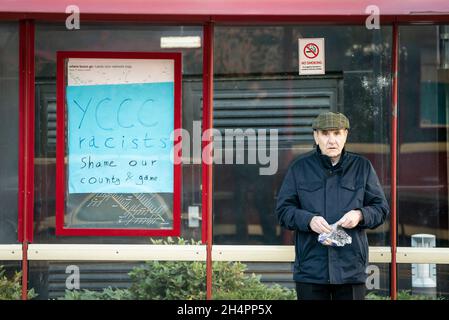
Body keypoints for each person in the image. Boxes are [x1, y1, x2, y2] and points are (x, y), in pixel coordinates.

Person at [276, 111, 389, 300]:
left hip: (351, 269)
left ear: (345, 135)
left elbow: (381, 208)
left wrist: (360, 215)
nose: (332, 140)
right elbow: (283, 211)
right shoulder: (299, 167)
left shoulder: (362, 167)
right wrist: (309, 220)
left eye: (337, 133)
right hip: (310, 269)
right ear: (316, 136)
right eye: (325, 134)